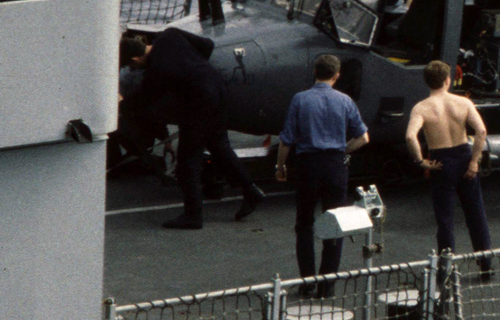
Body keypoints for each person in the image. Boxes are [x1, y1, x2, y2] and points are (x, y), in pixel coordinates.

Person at [121, 30, 263, 229]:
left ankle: (193, 216)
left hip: (197, 104)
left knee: (188, 163)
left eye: (131, 65)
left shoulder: (158, 70)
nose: (134, 68)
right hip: (217, 90)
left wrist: (121, 105)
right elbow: (207, 45)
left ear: (135, 57)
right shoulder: (170, 35)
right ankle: (251, 191)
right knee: (219, 145)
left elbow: (145, 98)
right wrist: (194, 68)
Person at [276, 54, 369, 292]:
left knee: (304, 223)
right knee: (334, 223)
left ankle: (307, 282)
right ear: (337, 75)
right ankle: (327, 285)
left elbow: (286, 140)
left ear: (314, 72)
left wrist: (280, 166)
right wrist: (342, 150)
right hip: (335, 165)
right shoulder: (345, 100)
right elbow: (363, 138)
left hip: (308, 165)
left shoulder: (300, 99)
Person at [405, 60, 492, 270]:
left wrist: (420, 161)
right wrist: (474, 161)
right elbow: (481, 131)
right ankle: (486, 266)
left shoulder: (421, 108)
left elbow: (410, 137)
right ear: (447, 80)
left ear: (427, 82)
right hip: (463, 156)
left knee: (445, 219)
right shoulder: (463, 103)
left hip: (440, 162)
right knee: (476, 215)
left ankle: (446, 268)